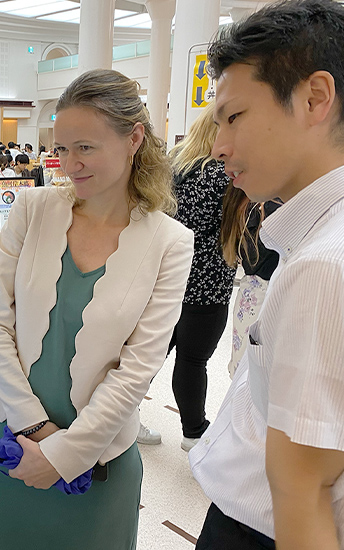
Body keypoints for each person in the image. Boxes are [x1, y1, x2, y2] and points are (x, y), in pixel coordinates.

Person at [0, 69, 193, 549]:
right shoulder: (32, 210)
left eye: (85, 147)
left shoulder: (170, 243)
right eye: (62, 148)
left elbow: (139, 368)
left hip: (99, 458)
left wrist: (66, 453)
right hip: (14, 438)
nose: (70, 164)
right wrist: (36, 430)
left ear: (133, 139)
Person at [190, 2, 344, 548]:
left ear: (314, 98)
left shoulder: (324, 265)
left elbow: (305, 496)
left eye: (234, 117)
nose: (219, 147)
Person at [159, 103, 236, 452]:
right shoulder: (223, 177)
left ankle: (120, 419)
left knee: (149, 354)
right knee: (192, 360)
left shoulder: (173, 168)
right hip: (208, 284)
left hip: (166, 277)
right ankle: (193, 430)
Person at [219, 185, 281, 377]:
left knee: (245, 366)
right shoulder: (266, 208)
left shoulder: (247, 205)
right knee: (252, 370)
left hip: (252, 293)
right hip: (262, 294)